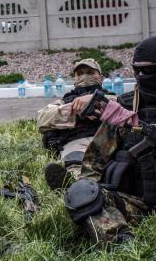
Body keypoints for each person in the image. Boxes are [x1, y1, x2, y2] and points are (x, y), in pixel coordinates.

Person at [64, 36, 156, 246]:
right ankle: (124, 245)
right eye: (136, 70)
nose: (141, 76)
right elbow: (92, 165)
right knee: (82, 195)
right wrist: (92, 198)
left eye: (147, 71)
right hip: (135, 205)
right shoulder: (123, 112)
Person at [37, 59, 114, 189]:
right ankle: (75, 186)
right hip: (77, 142)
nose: (85, 77)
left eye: (90, 73)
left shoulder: (111, 97)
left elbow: (127, 105)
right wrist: (75, 111)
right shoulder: (65, 101)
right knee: (78, 168)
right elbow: (42, 117)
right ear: (74, 79)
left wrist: (97, 101)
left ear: (101, 78)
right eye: (80, 73)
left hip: (108, 140)